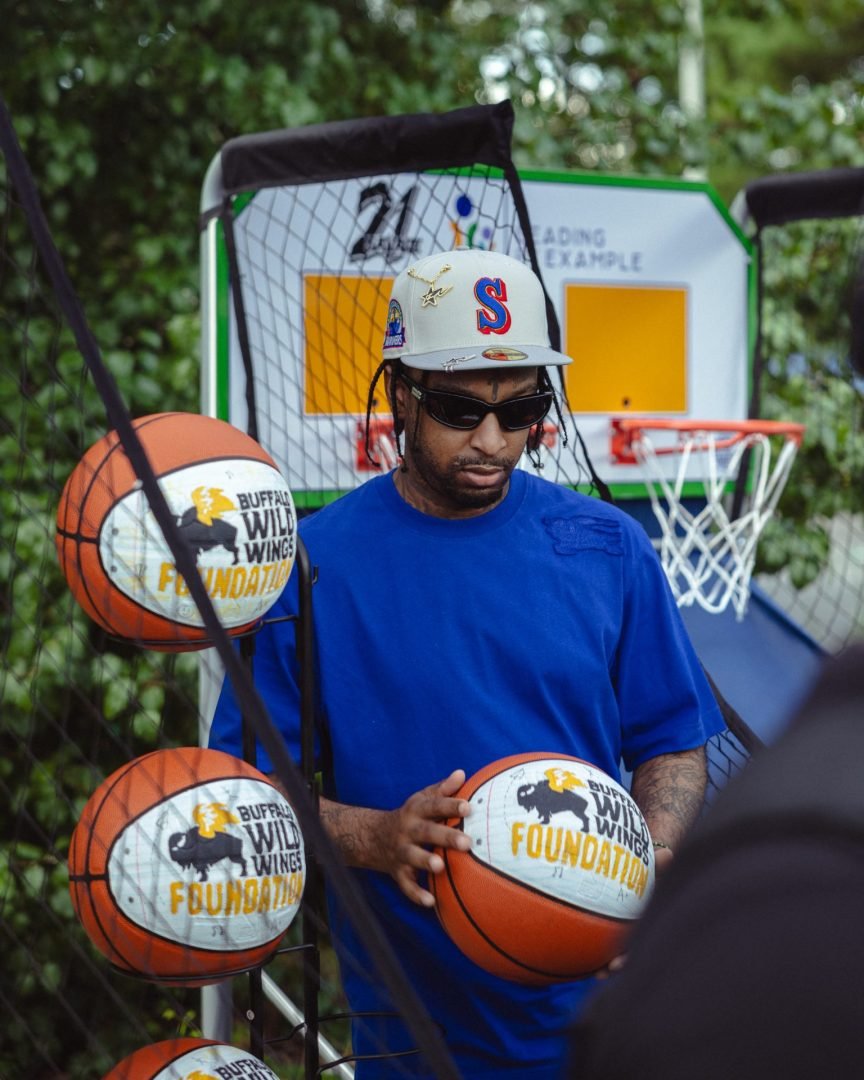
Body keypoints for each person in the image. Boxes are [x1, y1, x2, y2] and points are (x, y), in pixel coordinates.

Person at [208, 247, 724, 1079]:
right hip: (413, 1042)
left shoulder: (606, 547)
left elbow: (672, 740)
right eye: (458, 408)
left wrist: (651, 856)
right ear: (400, 395)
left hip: (606, 1034)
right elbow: (248, 791)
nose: (492, 439)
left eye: (521, 409)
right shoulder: (309, 568)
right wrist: (377, 836)